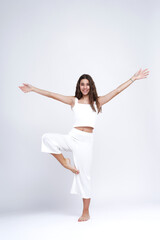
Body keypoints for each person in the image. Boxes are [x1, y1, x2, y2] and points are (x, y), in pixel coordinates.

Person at [18, 68, 149, 222]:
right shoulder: (74, 101)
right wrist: (33, 89)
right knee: (47, 138)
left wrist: (133, 78)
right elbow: (52, 95)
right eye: (82, 84)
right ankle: (65, 162)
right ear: (79, 86)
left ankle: (85, 212)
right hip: (73, 136)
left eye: (87, 84)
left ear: (91, 86)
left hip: (86, 141)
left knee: (84, 176)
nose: (85, 87)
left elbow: (117, 91)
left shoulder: (97, 102)